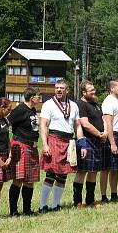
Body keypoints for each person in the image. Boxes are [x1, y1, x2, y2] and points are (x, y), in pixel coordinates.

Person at [39, 79, 87, 212]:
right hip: (54, 139)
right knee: (51, 174)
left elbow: (78, 126)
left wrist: (82, 144)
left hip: (69, 142)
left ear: (67, 90)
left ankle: (55, 205)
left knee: (63, 175)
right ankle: (42, 205)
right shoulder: (48, 104)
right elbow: (43, 125)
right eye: (57, 88)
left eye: (62, 88)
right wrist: (45, 144)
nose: (59, 90)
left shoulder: (74, 106)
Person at [7, 88, 41, 216]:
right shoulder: (20, 109)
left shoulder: (32, 110)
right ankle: (14, 211)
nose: (39, 98)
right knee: (19, 179)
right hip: (21, 145)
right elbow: (7, 122)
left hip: (32, 147)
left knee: (30, 179)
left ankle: (27, 210)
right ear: (32, 97)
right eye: (38, 96)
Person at [74, 81, 107, 208]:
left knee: (93, 171)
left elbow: (102, 119)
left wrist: (104, 133)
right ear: (83, 92)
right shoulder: (81, 105)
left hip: (98, 141)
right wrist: (99, 134)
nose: (94, 92)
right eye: (91, 90)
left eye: (94, 89)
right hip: (87, 141)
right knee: (82, 171)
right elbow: (85, 124)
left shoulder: (96, 104)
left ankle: (90, 200)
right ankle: (77, 202)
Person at [100, 79, 118, 203]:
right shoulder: (108, 102)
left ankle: (114, 194)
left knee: (115, 168)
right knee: (106, 168)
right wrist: (112, 143)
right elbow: (108, 123)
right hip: (112, 135)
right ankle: (104, 196)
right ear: (112, 88)